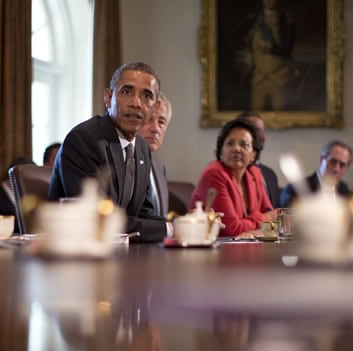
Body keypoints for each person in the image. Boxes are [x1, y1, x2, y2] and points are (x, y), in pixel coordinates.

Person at [48, 62, 167, 242]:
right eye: (127, 92)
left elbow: (145, 214)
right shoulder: (84, 140)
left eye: (146, 95)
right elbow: (95, 219)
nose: (136, 103)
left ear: (154, 108)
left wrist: (187, 225)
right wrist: (168, 228)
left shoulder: (142, 149)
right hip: (73, 253)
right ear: (108, 97)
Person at [191, 119, 276, 238]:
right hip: (214, 248)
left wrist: (252, 232)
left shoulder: (254, 174)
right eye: (230, 143)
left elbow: (273, 224)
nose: (236, 149)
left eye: (244, 144)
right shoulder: (214, 174)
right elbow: (231, 230)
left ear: (253, 155)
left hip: (247, 249)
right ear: (221, 150)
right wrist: (263, 219)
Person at [244, 0, 298, 110]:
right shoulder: (254, 19)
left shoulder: (286, 20)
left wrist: (272, 49)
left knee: (280, 114)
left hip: (279, 76)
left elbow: (287, 48)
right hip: (258, 76)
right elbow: (238, 39)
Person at [280, 140, 353, 208]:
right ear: (322, 159)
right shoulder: (296, 189)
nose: (336, 169)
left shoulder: (346, 193)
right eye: (333, 161)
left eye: (342, 165)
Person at [234, 111, 280, 208]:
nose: (260, 136)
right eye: (252, 131)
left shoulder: (270, 174)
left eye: (260, 131)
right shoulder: (230, 174)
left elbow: (276, 213)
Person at [138, 91, 172, 216]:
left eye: (161, 122)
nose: (155, 129)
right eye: (149, 119)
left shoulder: (159, 167)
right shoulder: (126, 161)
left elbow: (160, 221)